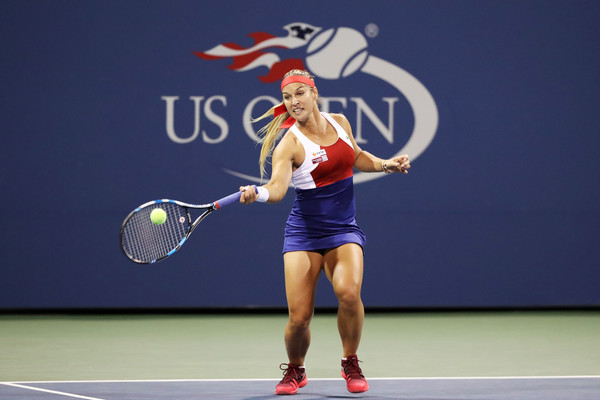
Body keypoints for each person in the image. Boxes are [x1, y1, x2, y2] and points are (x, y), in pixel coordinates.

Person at [238, 70, 410, 395]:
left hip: (343, 229)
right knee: (300, 317)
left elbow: (356, 156)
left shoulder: (340, 122)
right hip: (303, 233)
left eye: (300, 93)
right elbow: (276, 188)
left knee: (349, 293)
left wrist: (385, 163)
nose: (293, 102)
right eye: (287, 97)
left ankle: (350, 360)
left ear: (314, 93)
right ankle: (295, 369)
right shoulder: (289, 144)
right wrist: (257, 193)